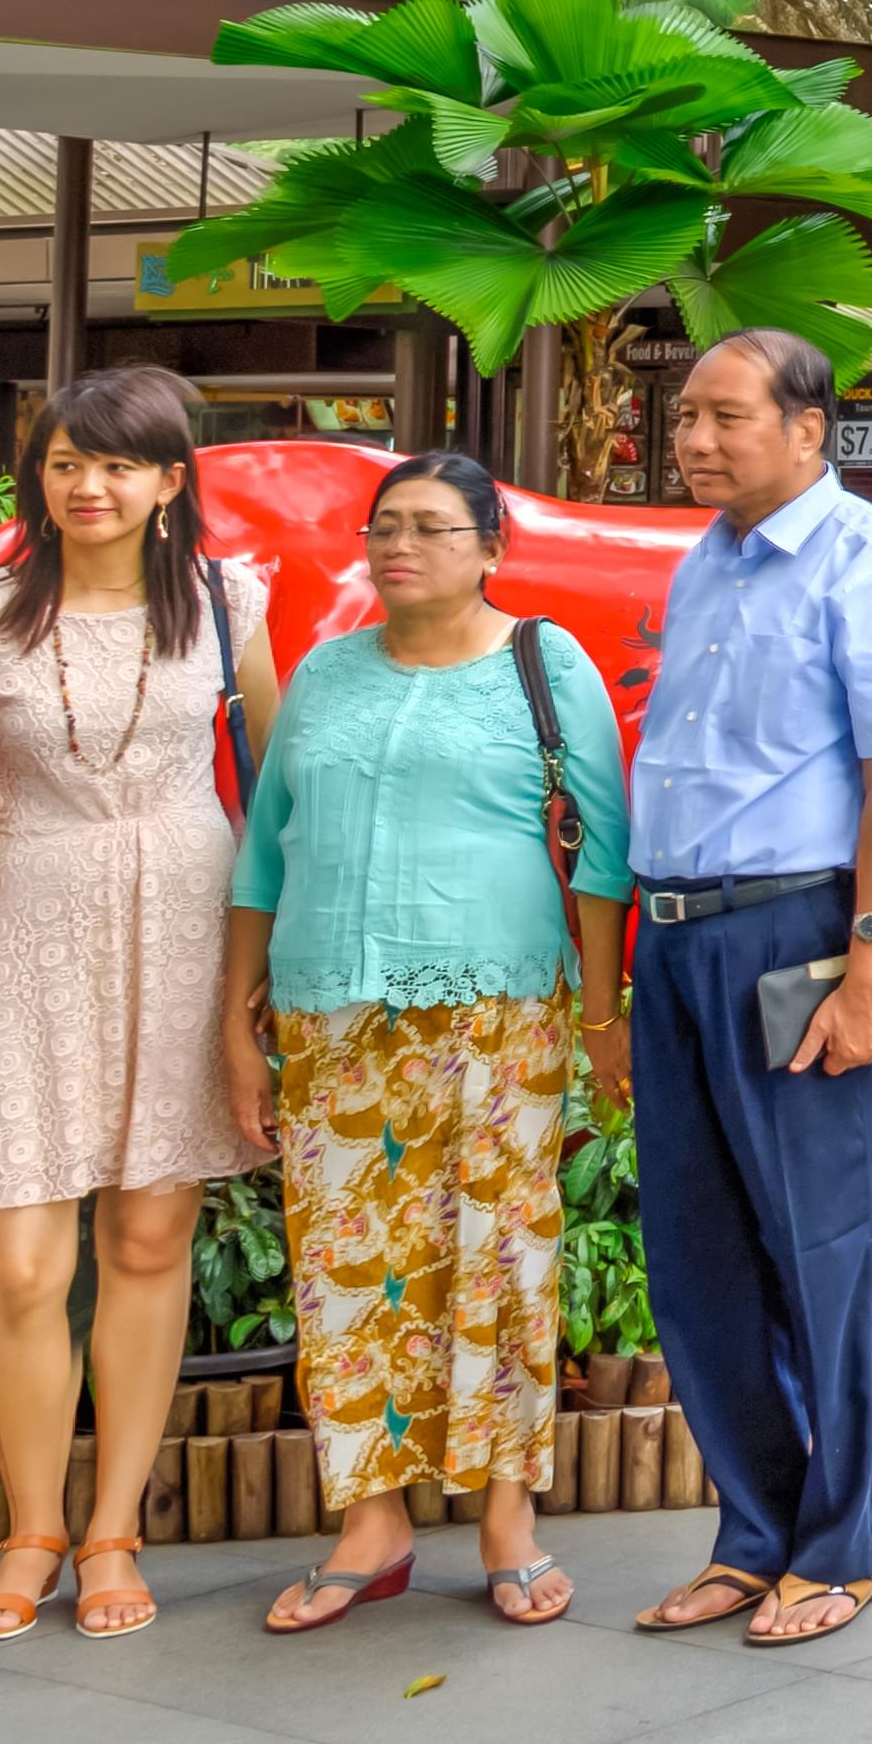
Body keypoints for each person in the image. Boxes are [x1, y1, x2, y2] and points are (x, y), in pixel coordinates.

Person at [225, 451, 632, 1632]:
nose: (401, 546)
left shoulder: (542, 663)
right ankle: (373, 1517)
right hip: (329, 1013)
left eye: (434, 528)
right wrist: (235, 1023)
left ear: (491, 548)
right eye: (385, 526)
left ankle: (507, 1510)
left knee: (500, 1254)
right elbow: (264, 851)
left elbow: (602, 856)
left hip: (496, 1011)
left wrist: (601, 1020)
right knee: (346, 1270)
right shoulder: (325, 672)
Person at [0, 368, 280, 1643]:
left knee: (145, 1242)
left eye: (119, 465)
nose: (90, 486)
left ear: (172, 483)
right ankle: (31, 1531)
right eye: (67, 462)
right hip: (29, 926)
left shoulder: (229, 606)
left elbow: (276, 792)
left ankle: (113, 1528)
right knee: (19, 1263)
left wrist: (270, 973)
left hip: (188, 919)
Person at [626, 330, 872, 1647]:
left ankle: (842, 1542)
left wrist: (869, 969)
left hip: (802, 934)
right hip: (676, 939)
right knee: (699, 1253)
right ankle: (753, 1531)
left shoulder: (871, 564)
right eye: (685, 415)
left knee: (828, 1247)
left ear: (809, 431)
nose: (695, 439)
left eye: (726, 417)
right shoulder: (701, 566)